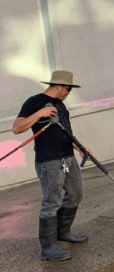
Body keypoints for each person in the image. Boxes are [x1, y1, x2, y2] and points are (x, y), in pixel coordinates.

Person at [13, 70, 89, 262]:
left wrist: (79, 147)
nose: (69, 92)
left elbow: (64, 132)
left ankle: (62, 232)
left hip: (68, 157)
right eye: (68, 88)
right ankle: (48, 248)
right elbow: (17, 128)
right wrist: (40, 113)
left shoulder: (61, 106)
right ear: (57, 86)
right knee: (51, 202)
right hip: (49, 161)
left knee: (76, 194)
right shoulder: (35, 102)